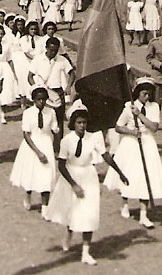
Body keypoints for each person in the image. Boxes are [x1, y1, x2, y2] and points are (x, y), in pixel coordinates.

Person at [43, 104, 129, 265]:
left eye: (84, 123)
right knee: (72, 210)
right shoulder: (66, 141)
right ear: (73, 123)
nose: (82, 126)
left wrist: (120, 173)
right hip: (71, 176)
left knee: (88, 213)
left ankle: (86, 252)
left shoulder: (93, 138)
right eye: (79, 123)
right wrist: (74, 185)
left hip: (89, 176)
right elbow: (61, 165)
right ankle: (68, 234)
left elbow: (106, 156)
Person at [105, 77, 162, 228]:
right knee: (130, 174)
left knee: (146, 177)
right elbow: (118, 127)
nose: (147, 97)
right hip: (130, 144)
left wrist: (139, 114)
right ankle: (125, 204)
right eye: (144, 94)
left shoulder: (154, 107)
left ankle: (143, 214)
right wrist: (131, 131)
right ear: (137, 93)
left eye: (149, 94)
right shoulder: (129, 107)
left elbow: (154, 127)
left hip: (147, 144)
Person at [10, 87, 60, 210]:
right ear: (33, 100)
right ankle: (28, 195)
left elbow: (55, 129)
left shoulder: (51, 112)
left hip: (46, 143)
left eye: (44, 99)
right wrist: (37, 152)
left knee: (46, 174)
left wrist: (57, 145)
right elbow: (26, 134)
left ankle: (45, 207)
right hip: (32, 146)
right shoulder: (28, 113)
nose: (41, 102)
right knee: (31, 172)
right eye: (38, 99)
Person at [27, 36, 73, 128]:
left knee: (59, 120)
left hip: (58, 92)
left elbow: (72, 73)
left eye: (56, 50)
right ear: (46, 48)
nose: (53, 53)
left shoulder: (62, 60)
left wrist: (68, 86)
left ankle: (58, 142)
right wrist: (36, 88)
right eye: (51, 50)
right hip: (43, 93)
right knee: (45, 119)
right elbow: (30, 76)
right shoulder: (38, 59)